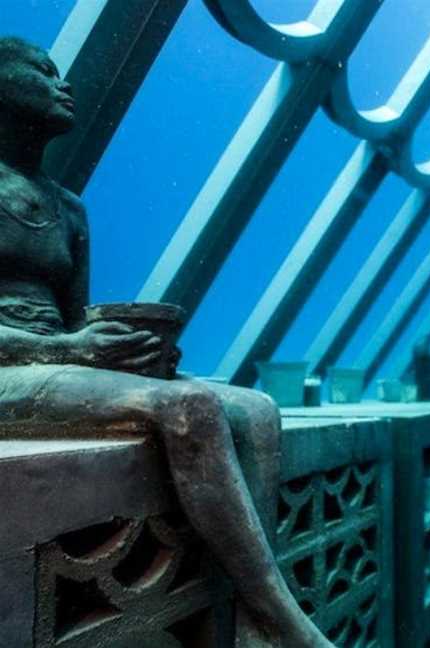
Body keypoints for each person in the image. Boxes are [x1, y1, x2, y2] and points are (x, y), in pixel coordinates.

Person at [0, 37, 332, 648]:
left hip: (52, 364)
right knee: (187, 407)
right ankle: (282, 620)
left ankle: (253, 615)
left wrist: (133, 351)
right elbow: (67, 344)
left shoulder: (67, 208)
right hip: (9, 370)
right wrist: (72, 352)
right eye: (41, 71)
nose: (62, 83)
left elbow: (75, 321)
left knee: (255, 409)